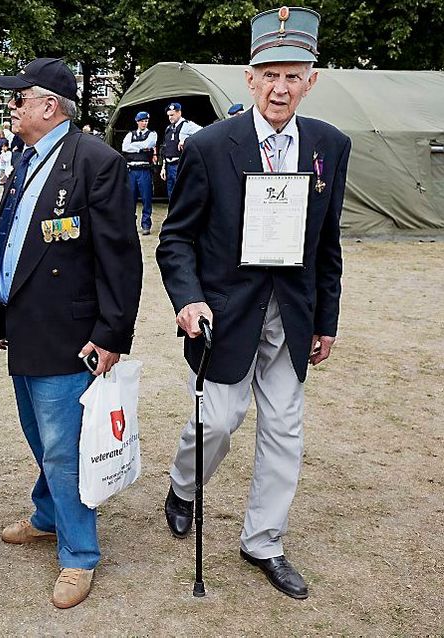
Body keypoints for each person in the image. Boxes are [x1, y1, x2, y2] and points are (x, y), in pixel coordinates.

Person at [156, 6, 350, 601]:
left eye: (294, 75)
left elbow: (327, 243)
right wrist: (188, 300)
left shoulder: (329, 146)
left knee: (285, 430)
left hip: (291, 314)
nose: (280, 87)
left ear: (311, 80)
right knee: (217, 419)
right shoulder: (212, 146)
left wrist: (326, 319)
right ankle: (185, 487)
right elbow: (177, 237)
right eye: (270, 73)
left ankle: (263, 541)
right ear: (250, 76)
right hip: (226, 313)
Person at [0, 58, 142, 609]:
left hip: (69, 333)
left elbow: (120, 257)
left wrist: (113, 334)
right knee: (38, 433)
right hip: (24, 324)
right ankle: (48, 517)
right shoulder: (27, 157)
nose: (11, 105)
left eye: (18, 97)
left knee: (64, 447)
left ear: (49, 106)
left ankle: (79, 554)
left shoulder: (96, 162)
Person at [122, 111, 158, 235]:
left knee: (146, 199)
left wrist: (135, 146)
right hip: (132, 170)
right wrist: (140, 147)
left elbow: (149, 144)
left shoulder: (152, 134)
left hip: (144, 169)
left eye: (146, 121)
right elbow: (125, 148)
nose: (144, 123)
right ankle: (130, 224)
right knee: (130, 199)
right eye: (142, 121)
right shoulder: (130, 134)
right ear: (137, 122)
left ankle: (146, 224)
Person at [159, 102, 201, 198]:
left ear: (179, 113)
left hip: (180, 164)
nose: (170, 118)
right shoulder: (168, 128)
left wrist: (186, 140)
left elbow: (203, 133)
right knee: (171, 193)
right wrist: (163, 167)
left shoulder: (187, 125)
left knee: (183, 192)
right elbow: (166, 148)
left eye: (172, 115)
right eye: (168, 115)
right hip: (169, 165)